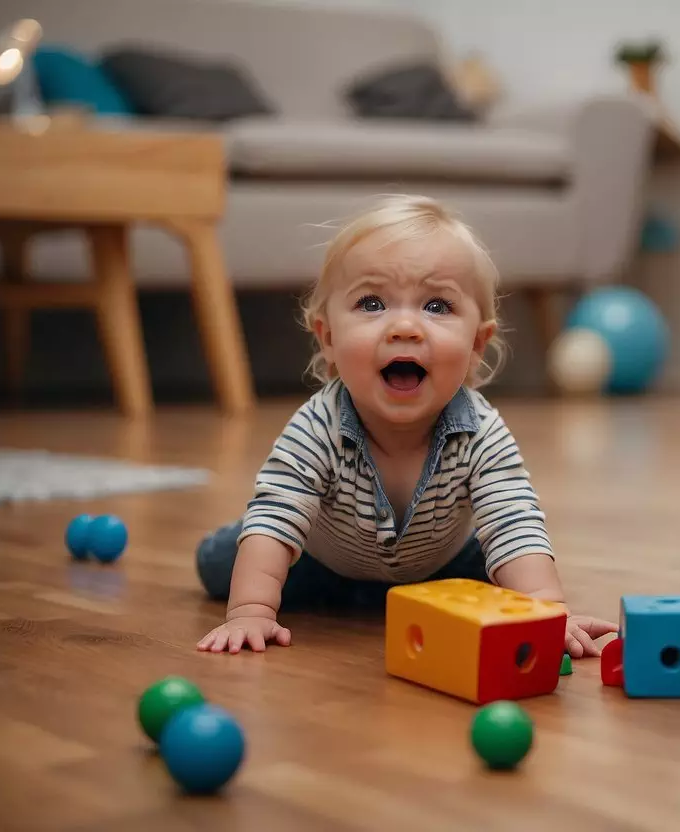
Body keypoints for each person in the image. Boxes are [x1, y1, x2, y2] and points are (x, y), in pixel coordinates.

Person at [195, 194, 616, 658]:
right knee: (228, 563)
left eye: (436, 306)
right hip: (319, 559)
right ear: (328, 336)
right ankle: (240, 552)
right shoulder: (319, 424)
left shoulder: (482, 430)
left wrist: (548, 613)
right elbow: (278, 519)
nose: (405, 327)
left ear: (477, 344)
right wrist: (250, 612)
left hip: (442, 564)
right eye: (372, 303)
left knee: (507, 571)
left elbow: (513, 521)